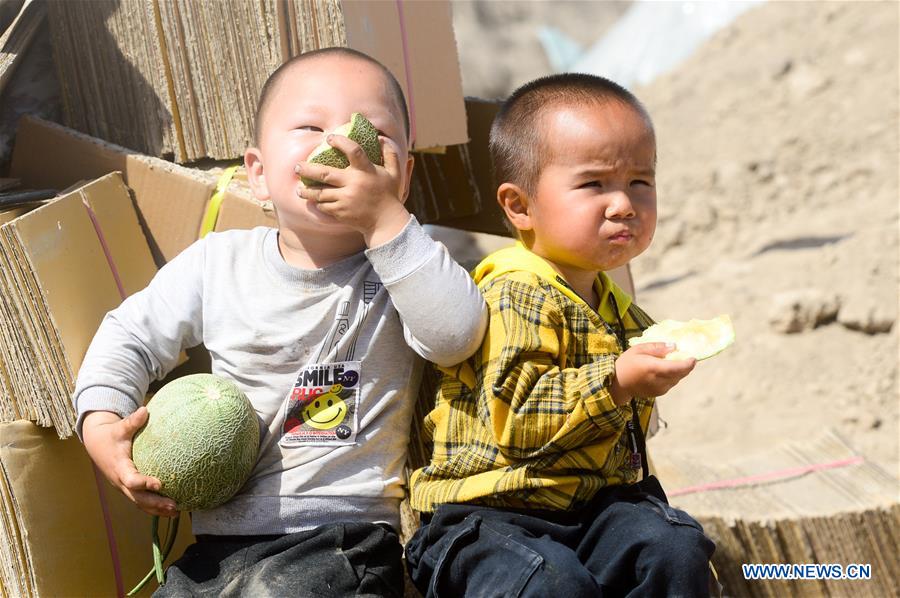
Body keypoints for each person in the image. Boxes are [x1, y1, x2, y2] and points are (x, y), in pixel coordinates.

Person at [74, 47, 487, 597]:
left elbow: (456, 335)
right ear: (260, 174)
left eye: (374, 135)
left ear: (404, 177)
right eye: (311, 126)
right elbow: (129, 335)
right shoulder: (217, 262)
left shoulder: (405, 267)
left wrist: (388, 221)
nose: (341, 145)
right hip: (217, 542)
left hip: (343, 542)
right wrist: (102, 425)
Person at [405, 73, 717, 597]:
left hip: (589, 511)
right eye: (594, 184)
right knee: (550, 583)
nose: (624, 204)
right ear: (520, 206)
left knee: (674, 547)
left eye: (641, 181)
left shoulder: (616, 307)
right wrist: (616, 382)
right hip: (487, 519)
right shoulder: (517, 292)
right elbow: (519, 423)